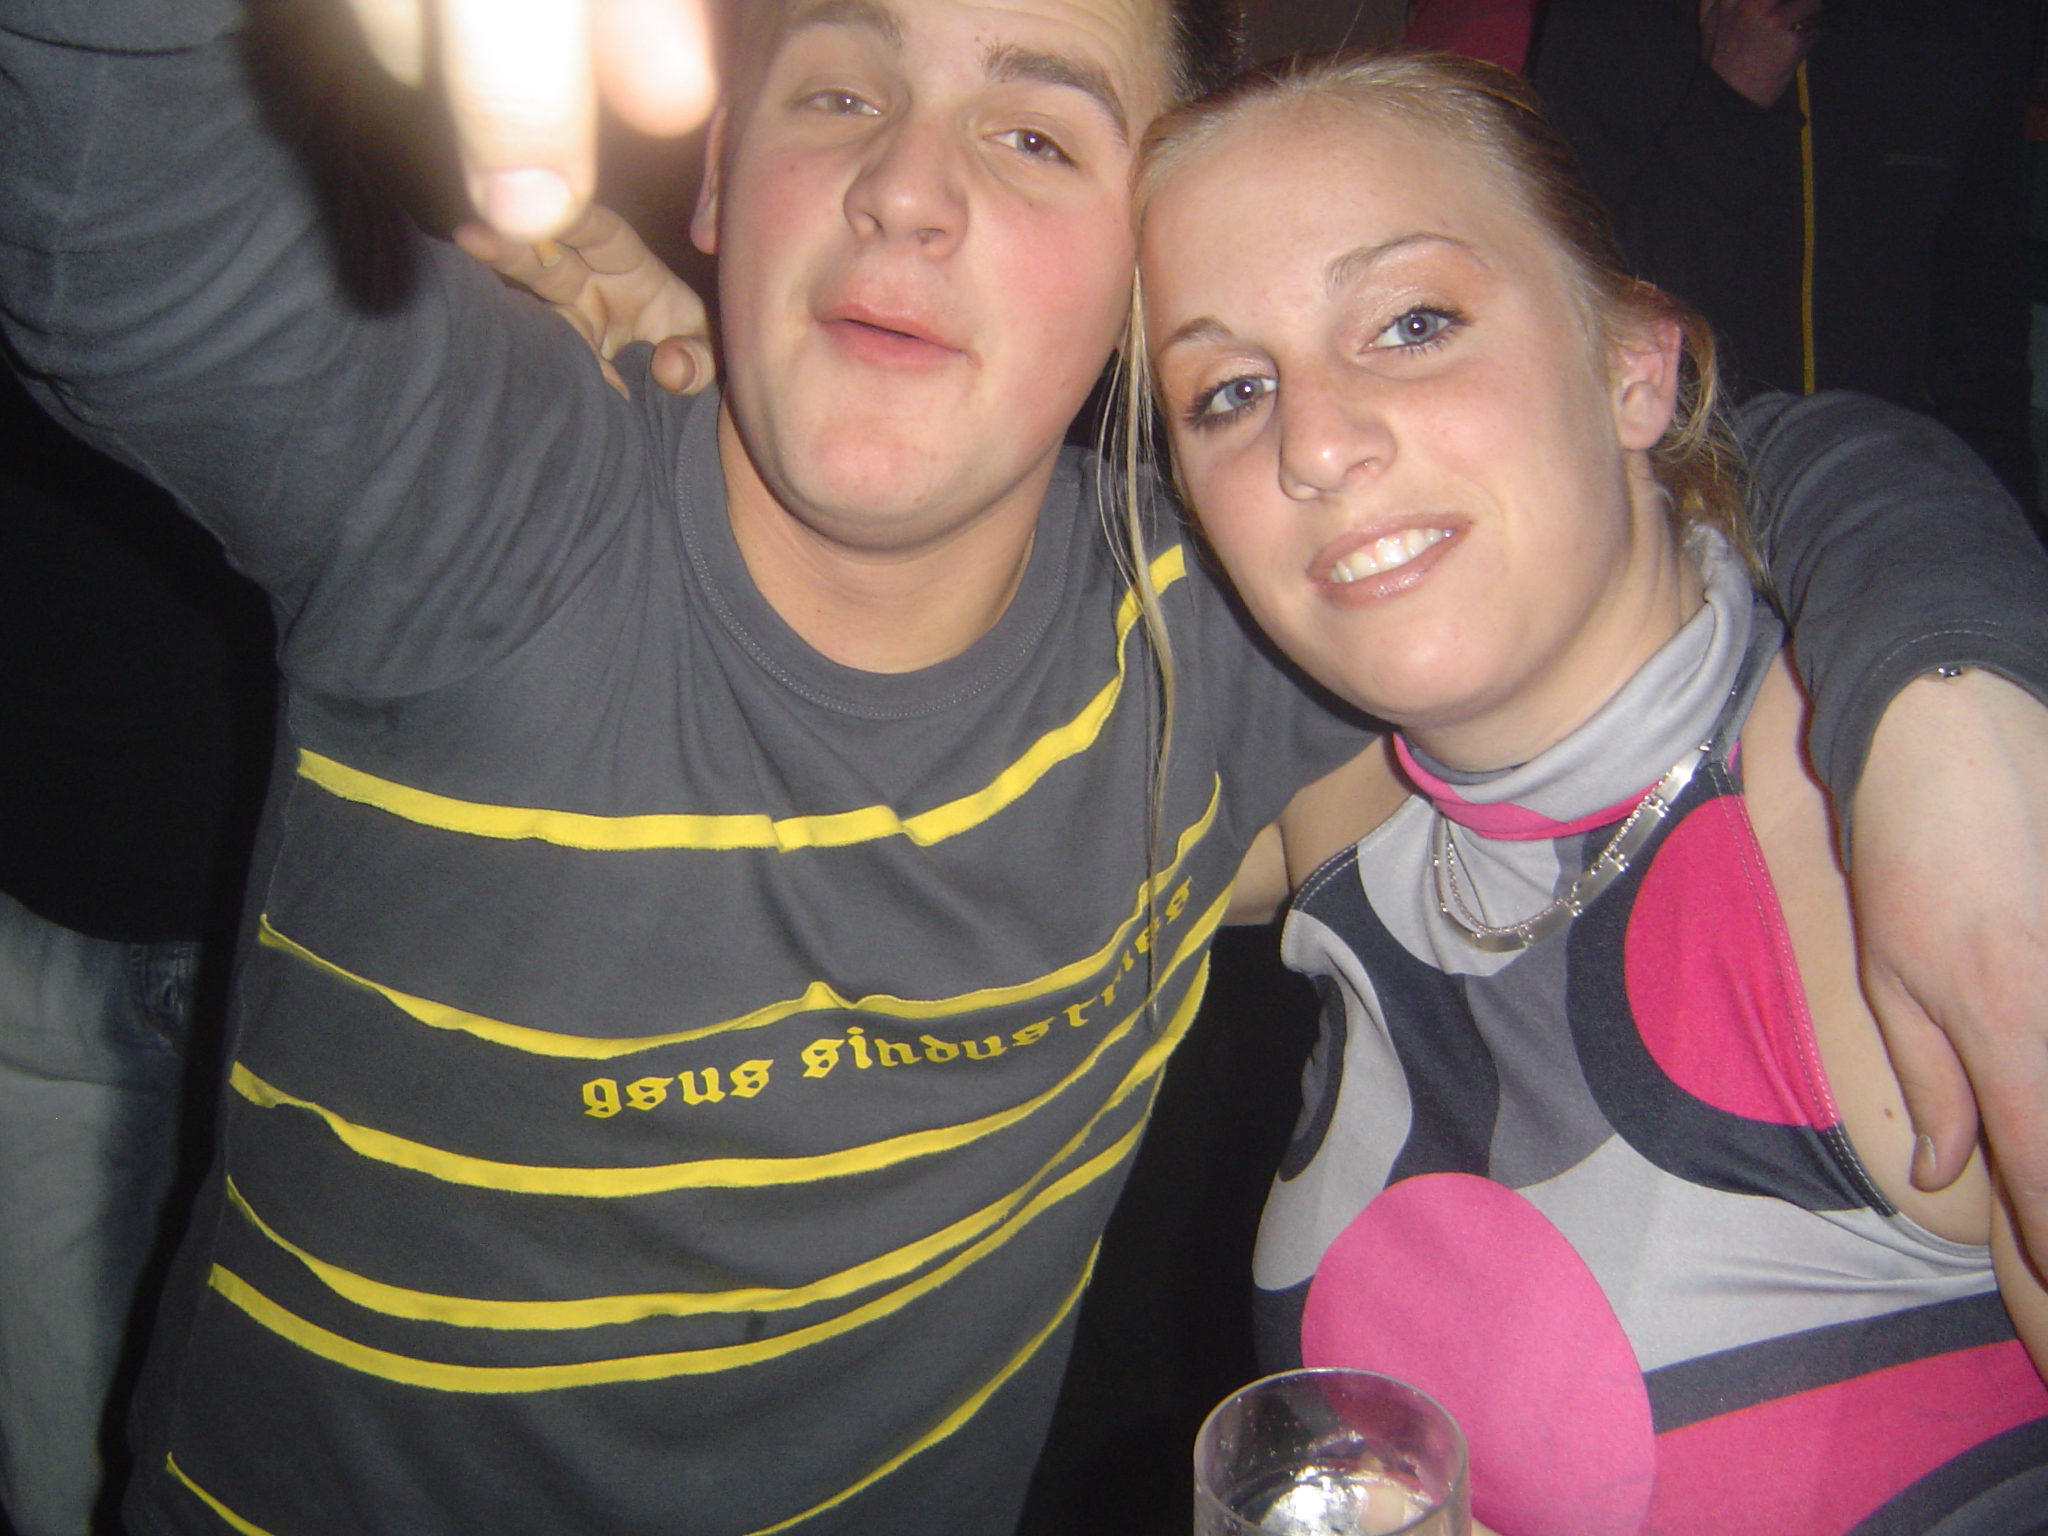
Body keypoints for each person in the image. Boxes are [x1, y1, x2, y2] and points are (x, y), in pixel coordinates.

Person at [3, 2, 2048, 1532]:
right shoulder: (479, 492)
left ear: (1122, 307)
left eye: (1038, 134)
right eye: (836, 94)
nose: (911, 186)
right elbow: (109, 186)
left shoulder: (1217, 643)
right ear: (712, 187)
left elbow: (1649, 499)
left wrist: (1941, 668)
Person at [1127, 49, 2048, 1532]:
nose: (1315, 443)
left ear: (1633, 366)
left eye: (1411, 323)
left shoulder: (1923, 841)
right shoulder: (1334, 805)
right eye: (1229, 390)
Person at [1532, 0, 2040, 523]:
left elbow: (1983, 311)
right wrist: (1729, 97)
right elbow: (1583, 302)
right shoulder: (1615, 21)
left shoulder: (1969, 24)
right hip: (1668, 502)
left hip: (1887, 502)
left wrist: (2013, 522)